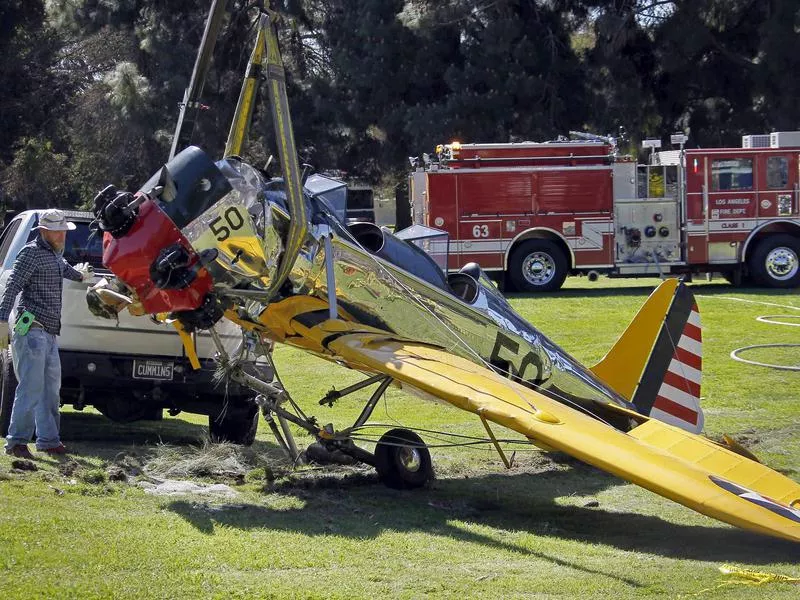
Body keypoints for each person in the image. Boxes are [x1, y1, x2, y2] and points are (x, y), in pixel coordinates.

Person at [0, 209, 93, 458]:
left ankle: (48, 441)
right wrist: (0, 320)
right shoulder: (30, 253)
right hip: (30, 329)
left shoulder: (55, 255)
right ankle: (17, 442)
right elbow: (12, 287)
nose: (64, 234)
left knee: (51, 389)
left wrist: (83, 275)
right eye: (60, 230)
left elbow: (67, 270)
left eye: (64, 230)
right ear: (45, 231)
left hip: (49, 332)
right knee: (30, 387)